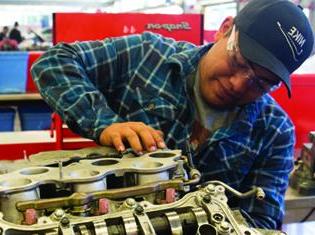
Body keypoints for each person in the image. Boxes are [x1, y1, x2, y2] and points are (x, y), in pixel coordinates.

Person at [31, 0, 314, 230]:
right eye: (239, 61)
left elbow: (262, 221)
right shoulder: (146, 56)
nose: (238, 83)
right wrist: (105, 123)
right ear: (225, 29)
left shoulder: (275, 131)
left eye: (262, 82)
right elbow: (55, 63)